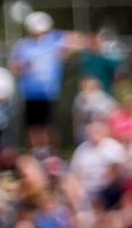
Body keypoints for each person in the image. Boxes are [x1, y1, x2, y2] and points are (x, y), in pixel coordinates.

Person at [10, 11, 84, 154]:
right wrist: (23, 67)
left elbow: (78, 40)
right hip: (30, 92)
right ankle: (39, 153)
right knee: (33, 126)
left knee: (49, 125)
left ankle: (51, 154)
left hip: (49, 92)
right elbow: (15, 67)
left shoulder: (54, 40)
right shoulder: (24, 45)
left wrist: (64, 52)